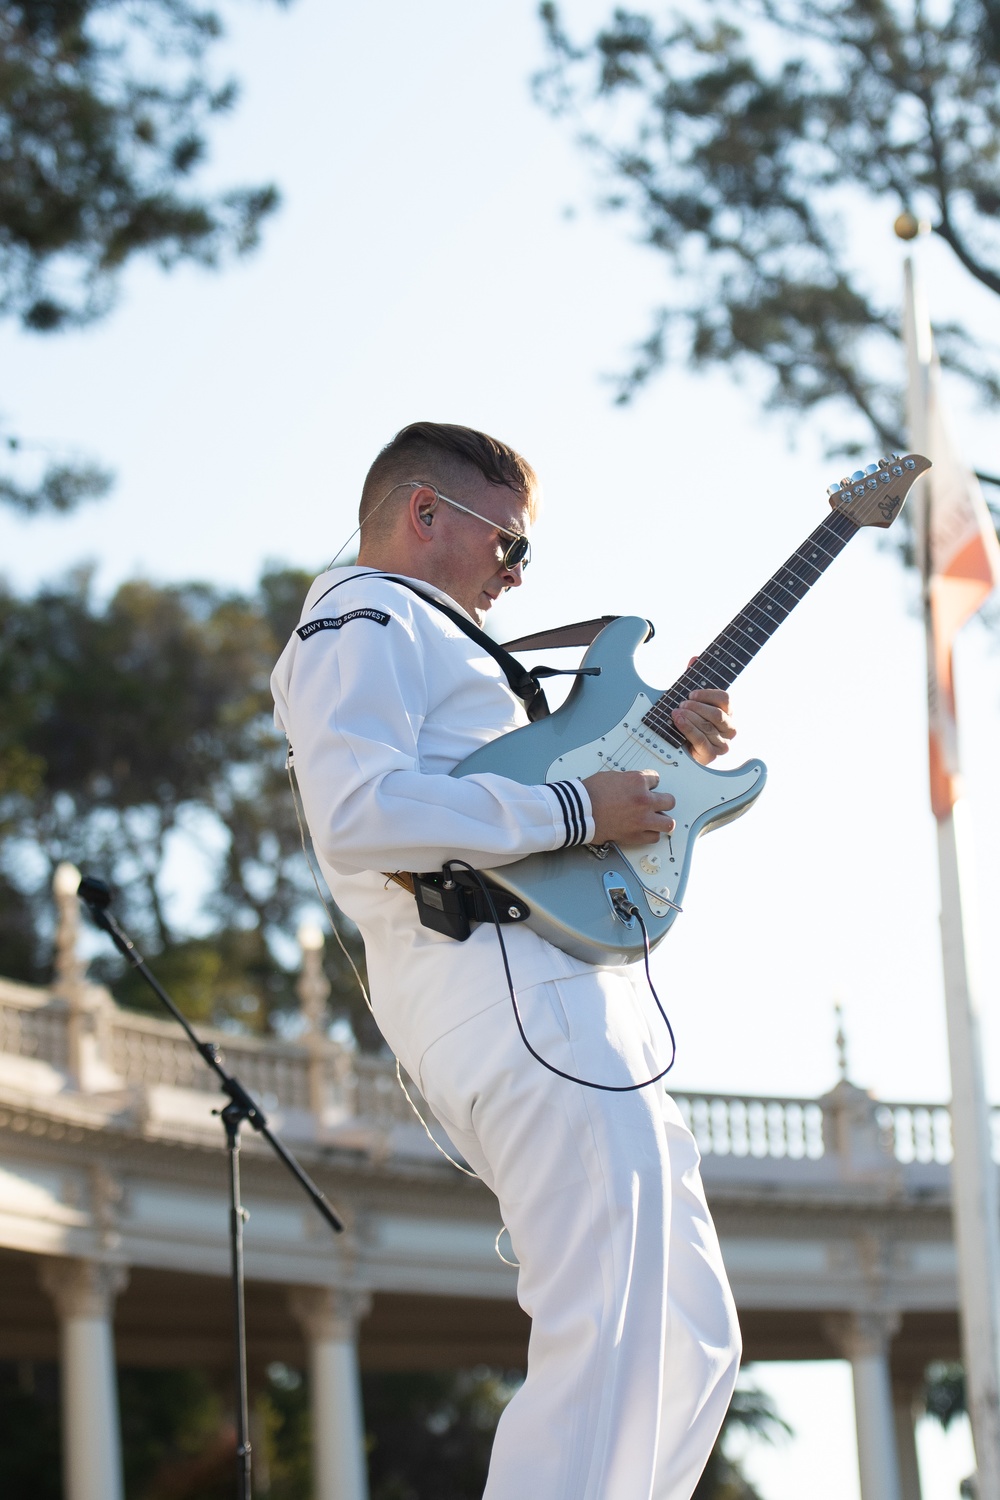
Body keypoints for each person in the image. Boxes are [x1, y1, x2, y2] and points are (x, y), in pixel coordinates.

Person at [271, 421, 742, 1500]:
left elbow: (516, 791)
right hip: (511, 985)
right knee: (609, 1326)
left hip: (566, 990)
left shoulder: (425, 633)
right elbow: (360, 811)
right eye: (506, 544)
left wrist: (661, 764)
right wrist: (578, 809)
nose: (517, 575)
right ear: (422, 514)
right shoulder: (365, 612)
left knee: (687, 1338)